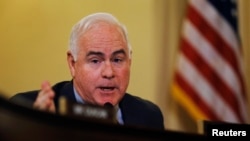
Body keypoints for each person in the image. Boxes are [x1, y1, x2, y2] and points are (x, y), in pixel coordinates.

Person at [9, 12, 164, 129]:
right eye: (95, 61)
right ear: (72, 64)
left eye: (117, 60)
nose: (109, 73)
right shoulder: (27, 111)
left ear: (130, 62)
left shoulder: (149, 116)